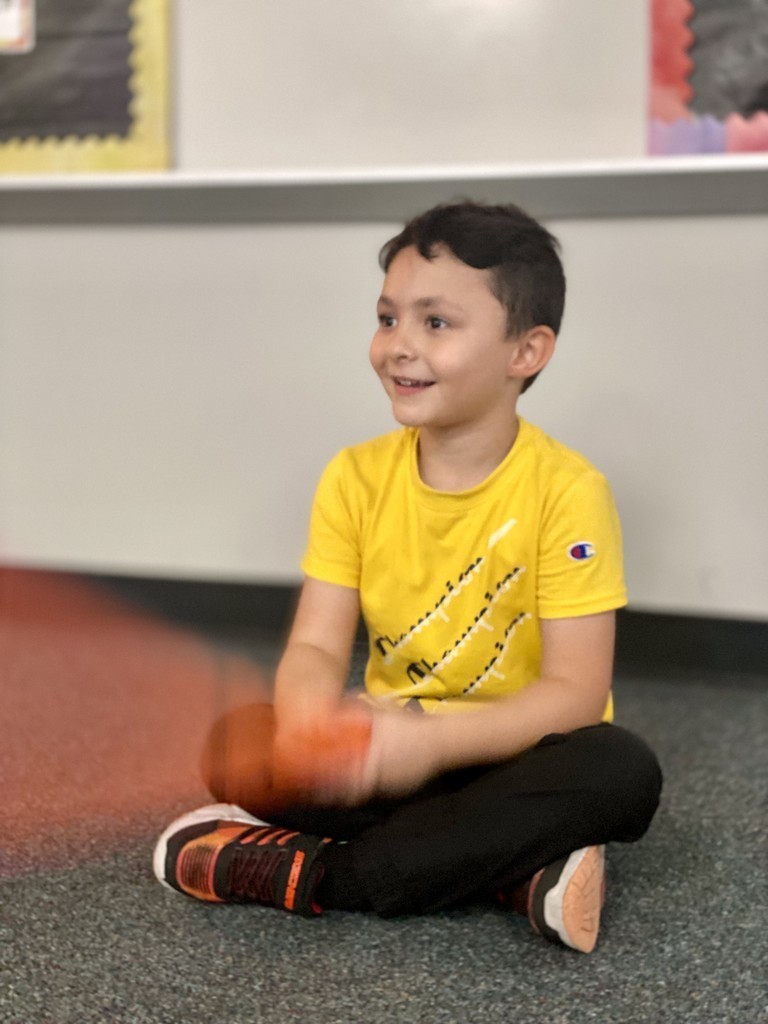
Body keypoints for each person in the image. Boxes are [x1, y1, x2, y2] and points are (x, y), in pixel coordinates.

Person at [153, 201, 662, 953]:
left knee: (622, 771)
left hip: (514, 754)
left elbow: (576, 695)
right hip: (390, 752)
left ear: (527, 351)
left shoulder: (569, 491)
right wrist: (310, 729)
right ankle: (511, 871)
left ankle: (320, 877)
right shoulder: (353, 477)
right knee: (237, 740)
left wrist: (427, 749)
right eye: (388, 318)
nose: (398, 346)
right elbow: (319, 649)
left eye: (436, 323)